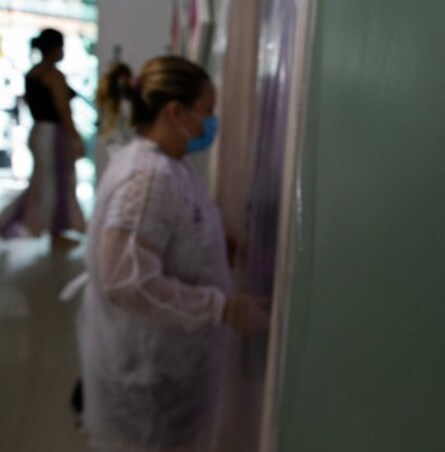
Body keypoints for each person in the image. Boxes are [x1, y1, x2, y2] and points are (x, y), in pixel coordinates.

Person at [77, 55, 270, 451]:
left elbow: (172, 229)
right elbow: (126, 281)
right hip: (151, 380)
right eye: (207, 112)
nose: (211, 124)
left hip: (164, 371)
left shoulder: (166, 163)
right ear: (175, 111)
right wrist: (223, 309)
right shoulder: (147, 178)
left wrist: (219, 237)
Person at [0, 28, 85, 245]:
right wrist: (75, 137)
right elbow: (63, 110)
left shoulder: (32, 74)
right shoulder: (53, 75)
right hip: (52, 134)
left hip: (38, 131)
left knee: (42, 182)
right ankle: (53, 230)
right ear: (55, 49)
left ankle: (31, 224)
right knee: (56, 182)